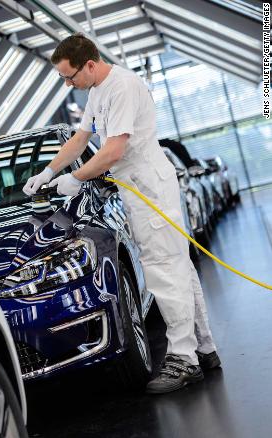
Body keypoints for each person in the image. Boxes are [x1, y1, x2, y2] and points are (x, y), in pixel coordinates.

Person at [23, 33, 220, 394]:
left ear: (90, 64)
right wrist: (49, 171)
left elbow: (113, 150)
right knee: (179, 267)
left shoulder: (122, 87)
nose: (68, 84)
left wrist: (76, 178)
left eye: (70, 77)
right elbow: (80, 139)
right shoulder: (97, 92)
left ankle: (184, 359)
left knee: (165, 270)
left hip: (149, 188)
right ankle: (204, 348)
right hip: (138, 189)